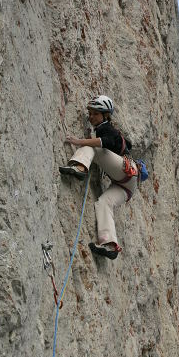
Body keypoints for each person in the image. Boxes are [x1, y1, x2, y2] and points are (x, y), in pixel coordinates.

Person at [59, 95, 137, 260]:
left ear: (106, 115)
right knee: (103, 203)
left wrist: (79, 141)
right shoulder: (108, 130)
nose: (91, 116)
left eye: (96, 113)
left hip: (126, 172)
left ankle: (80, 167)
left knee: (94, 146)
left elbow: (104, 142)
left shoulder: (107, 129)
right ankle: (110, 245)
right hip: (126, 186)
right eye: (90, 113)